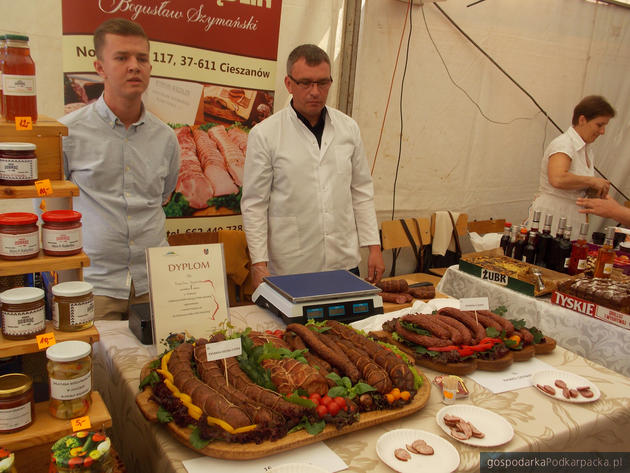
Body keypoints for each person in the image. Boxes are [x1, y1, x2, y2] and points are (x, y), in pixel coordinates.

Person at [60, 18, 180, 319]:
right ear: (99, 67)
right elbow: (49, 209)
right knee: (95, 366)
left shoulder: (166, 137)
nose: (134, 66)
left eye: (142, 58)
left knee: (158, 365)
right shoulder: (68, 133)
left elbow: (163, 196)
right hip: (94, 284)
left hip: (153, 282)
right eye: (122, 57)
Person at [241, 44, 385, 288]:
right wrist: (259, 264)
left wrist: (374, 247)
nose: (315, 92)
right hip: (292, 265)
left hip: (344, 261)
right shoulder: (265, 134)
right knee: (299, 326)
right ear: (289, 84)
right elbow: (254, 203)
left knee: (351, 326)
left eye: (322, 83)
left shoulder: (348, 128)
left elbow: (361, 190)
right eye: (305, 83)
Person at [528, 95, 616, 238]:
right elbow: (557, 179)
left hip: (571, 218)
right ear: (582, 120)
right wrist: (591, 181)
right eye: (599, 125)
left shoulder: (587, 150)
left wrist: (594, 191)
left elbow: (574, 185)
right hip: (553, 217)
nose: (602, 132)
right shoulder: (564, 144)